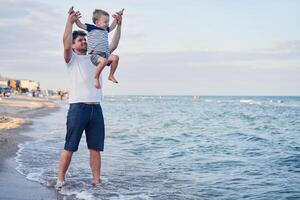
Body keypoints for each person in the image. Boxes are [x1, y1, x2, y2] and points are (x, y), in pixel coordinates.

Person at [55, 7, 122, 191]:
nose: (84, 41)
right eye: (80, 40)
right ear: (75, 45)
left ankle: (96, 181)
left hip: (96, 109)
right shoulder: (72, 59)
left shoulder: (97, 56)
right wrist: (69, 22)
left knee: (95, 148)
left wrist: (119, 24)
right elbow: (65, 43)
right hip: (78, 108)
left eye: (85, 39)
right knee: (70, 147)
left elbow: (113, 45)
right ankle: (60, 179)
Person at [75, 8, 124, 89]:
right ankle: (96, 77)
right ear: (97, 22)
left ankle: (111, 75)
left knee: (115, 58)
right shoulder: (91, 28)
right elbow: (80, 25)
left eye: (108, 22)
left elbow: (113, 25)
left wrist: (118, 17)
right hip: (95, 55)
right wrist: (75, 19)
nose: (107, 24)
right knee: (103, 61)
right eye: (105, 22)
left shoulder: (106, 30)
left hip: (105, 55)